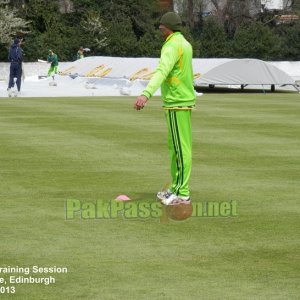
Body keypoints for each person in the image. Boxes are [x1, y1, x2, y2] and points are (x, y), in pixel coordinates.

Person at [134, 12, 196, 206]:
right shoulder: (184, 43)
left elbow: (162, 71)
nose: (160, 29)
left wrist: (146, 94)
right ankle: (176, 188)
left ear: (167, 27)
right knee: (176, 148)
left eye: (161, 26)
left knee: (180, 149)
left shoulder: (172, 45)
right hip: (179, 101)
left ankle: (182, 193)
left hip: (177, 101)